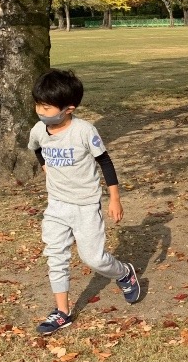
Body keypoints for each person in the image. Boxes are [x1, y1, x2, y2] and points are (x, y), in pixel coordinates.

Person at [28, 69, 140, 335]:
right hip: (56, 205)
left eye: (47, 107)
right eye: (38, 105)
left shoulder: (84, 131)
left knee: (94, 259)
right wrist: (44, 166)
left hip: (86, 205)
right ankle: (62, 313)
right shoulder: (38, 130)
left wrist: (114, 197)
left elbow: (105, 161)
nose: (41, 111)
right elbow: (36, 148)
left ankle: (124, 272)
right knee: (55, 256)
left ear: (69, 108)